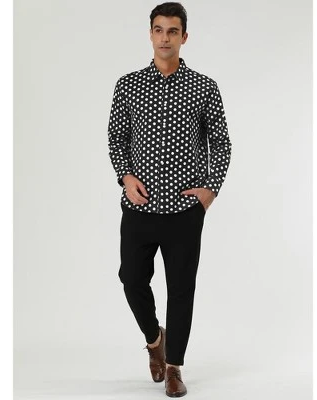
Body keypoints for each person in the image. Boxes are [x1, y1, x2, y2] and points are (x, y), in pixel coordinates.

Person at [107, 2, 231, 397]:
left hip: (183, 211)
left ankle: (175, 366)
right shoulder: (128, 85)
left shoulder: (204, 87)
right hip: (139, 207)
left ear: (184, 37)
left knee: (181, 290)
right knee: (131, 279)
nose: (165, 37)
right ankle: (154, 340)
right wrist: (125, 177)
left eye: (172, 31)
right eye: (158, 30)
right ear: (150, 34)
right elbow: (117, 138)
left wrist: (209, 190)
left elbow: (221, 143)